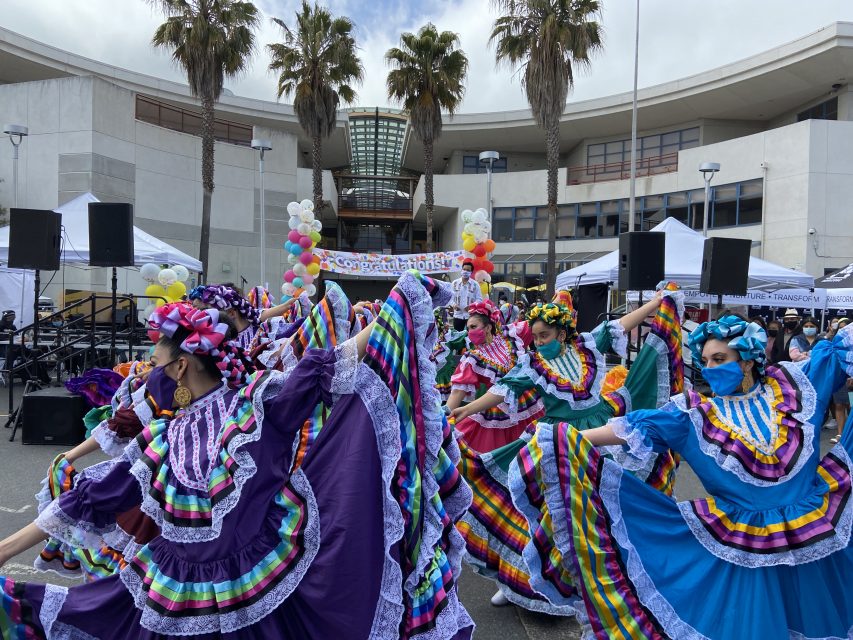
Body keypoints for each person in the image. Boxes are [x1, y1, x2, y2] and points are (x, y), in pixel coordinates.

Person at [0, 272, 475, 639]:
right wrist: (4, 550)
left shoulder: (257, 405)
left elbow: (331, 358)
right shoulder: (166, 437)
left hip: (253, 584)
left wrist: (402, 304)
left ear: (181, 367)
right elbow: (87, 500)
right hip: (187, 588)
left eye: (157, 364)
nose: (151, 373)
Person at [510, 315, 853, 639]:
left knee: (817, 616)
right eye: (706, 361)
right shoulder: (693, 416)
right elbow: (626, 428)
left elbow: (839, 355)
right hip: (747, 546)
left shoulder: (794, 390)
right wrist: (560, 439)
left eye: (720, 359)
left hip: (816, 533)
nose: (711, 368)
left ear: (748, 361)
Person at [451, 285, 685, 612]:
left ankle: (610, 575)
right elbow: (502, 391)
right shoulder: (532, 364)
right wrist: (468, 408)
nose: (540, 342)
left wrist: (657, 303)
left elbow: (620, 325)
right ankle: (521, 580)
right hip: (556, 441)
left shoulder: (586, 346)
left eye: (545, 335)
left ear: (562, 332)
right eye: (536, 337)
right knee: (545, 510)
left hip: (599, 431)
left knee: (603, 505)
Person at [446, 299, 540, 453]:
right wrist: (445, 414)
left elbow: (538, 323)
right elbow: (457, 392)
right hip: (498, 414)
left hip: (529, 405)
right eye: (468, 328)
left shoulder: (510, 336)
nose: (470, 332)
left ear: (488, 327)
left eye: (474, 327)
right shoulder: (473, 358)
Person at [450, 261, 482, 332]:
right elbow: (449, 298)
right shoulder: (454, 283)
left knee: (471, 337)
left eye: (468, 270)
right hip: (457, 316)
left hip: (470, 316)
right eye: (464, 269)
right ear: (461, 270)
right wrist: (453, 305)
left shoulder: (475, 284)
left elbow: (479, 299)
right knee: (457, 337)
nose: (465, 271)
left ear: (471, 272)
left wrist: (472, 306)